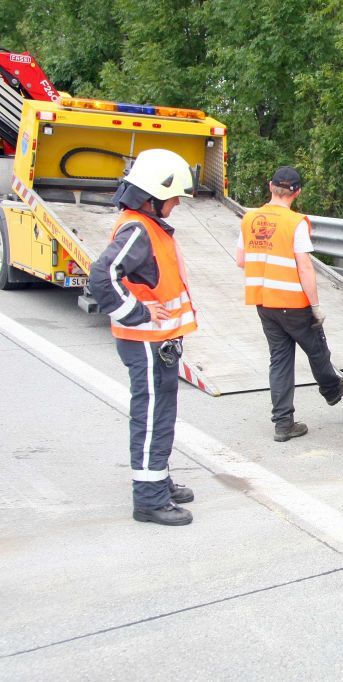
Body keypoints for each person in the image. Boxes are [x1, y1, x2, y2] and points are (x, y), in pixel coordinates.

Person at [90, 148, 199, 526]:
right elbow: (102, 276)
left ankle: (158, 481)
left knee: (161, 414)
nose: (177, 204)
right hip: (147, 341)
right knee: (152, 416)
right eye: (174, 197)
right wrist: (137, 312)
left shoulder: (146, 225)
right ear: (153, 196)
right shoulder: (138, 229)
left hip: (158, 341)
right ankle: (149, 500)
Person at [236, 166, 343, 442]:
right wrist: (314, 305)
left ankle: (283, 424)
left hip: (264, 303)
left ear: (270, 186)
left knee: (279, 361)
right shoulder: (296, 223)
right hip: (292, 301)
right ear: (297, 192)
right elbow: (305, 267)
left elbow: (241, 260)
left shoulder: (250, 218)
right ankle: (332, 389)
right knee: (316, 348)